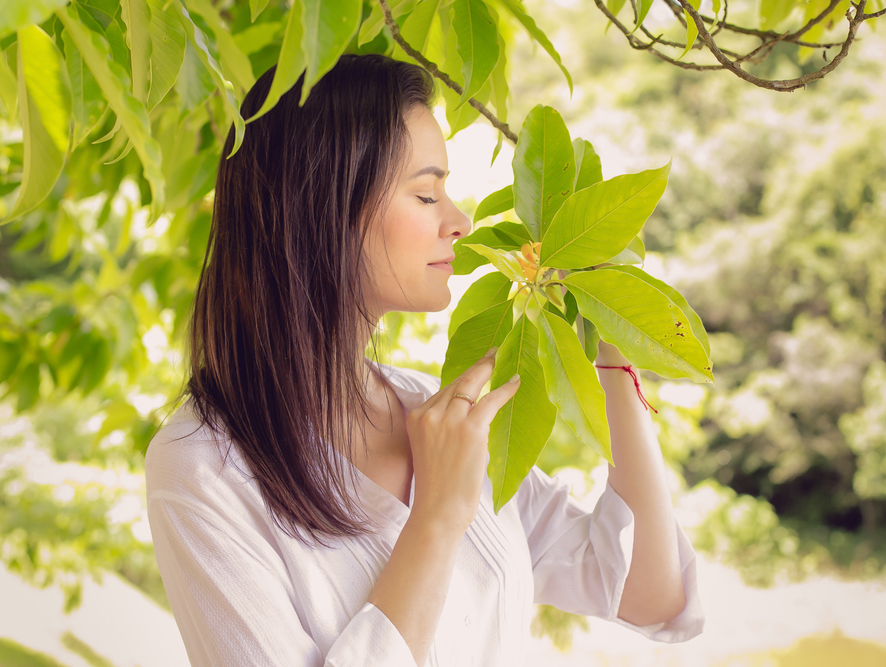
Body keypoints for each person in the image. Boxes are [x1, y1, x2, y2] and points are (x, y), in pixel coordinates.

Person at [144, 54, 705, 667]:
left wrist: (609, 336)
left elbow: (649, 594)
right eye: (426, 194)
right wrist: (437, 515)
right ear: (324, 207)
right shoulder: (202, 466)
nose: (461, 223)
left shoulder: (437, 412)